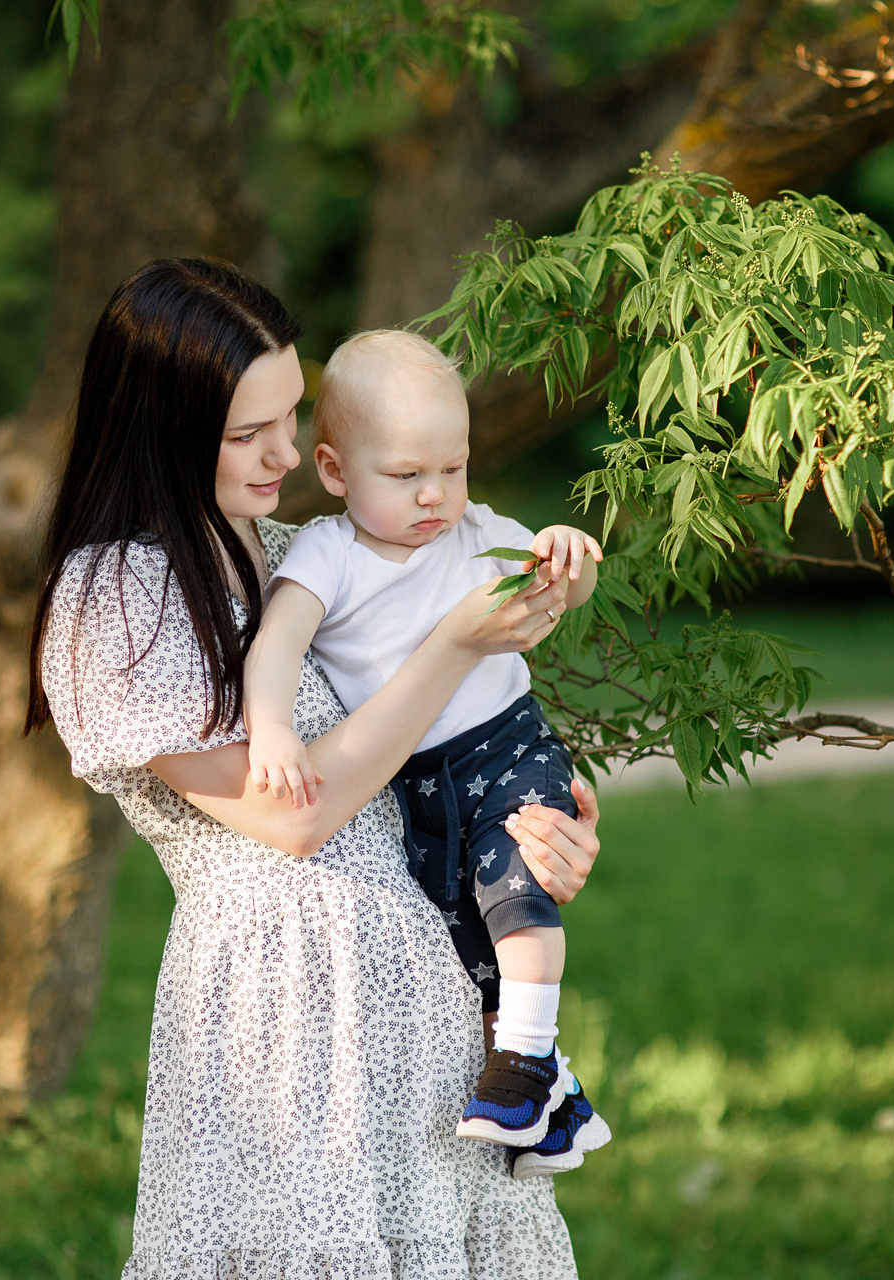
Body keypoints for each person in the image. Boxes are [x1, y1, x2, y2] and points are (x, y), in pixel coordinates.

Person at [25, 259, 602, 1280]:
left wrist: (537, 824)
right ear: (161, 424)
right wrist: (454, 644)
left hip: (430, 1009)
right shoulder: (117, 597)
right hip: (282, 1026)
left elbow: (447, 743)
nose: (284, 454)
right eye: (246, 433)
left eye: (288, 418)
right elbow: (295, 816)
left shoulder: (312, 549)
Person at [243, 330, 611, 1177]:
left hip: (508, 739)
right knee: (460, 928)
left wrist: (565, 556)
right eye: (406, 476)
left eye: (453, 468)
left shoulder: (478, 533)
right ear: (334, 471)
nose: (435, 495)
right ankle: (553, 1099)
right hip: (408, 774)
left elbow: (563, 586)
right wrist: (270, 730)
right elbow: (274, 649)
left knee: (516, 886)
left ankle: (524, 1058)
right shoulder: (325, 554)